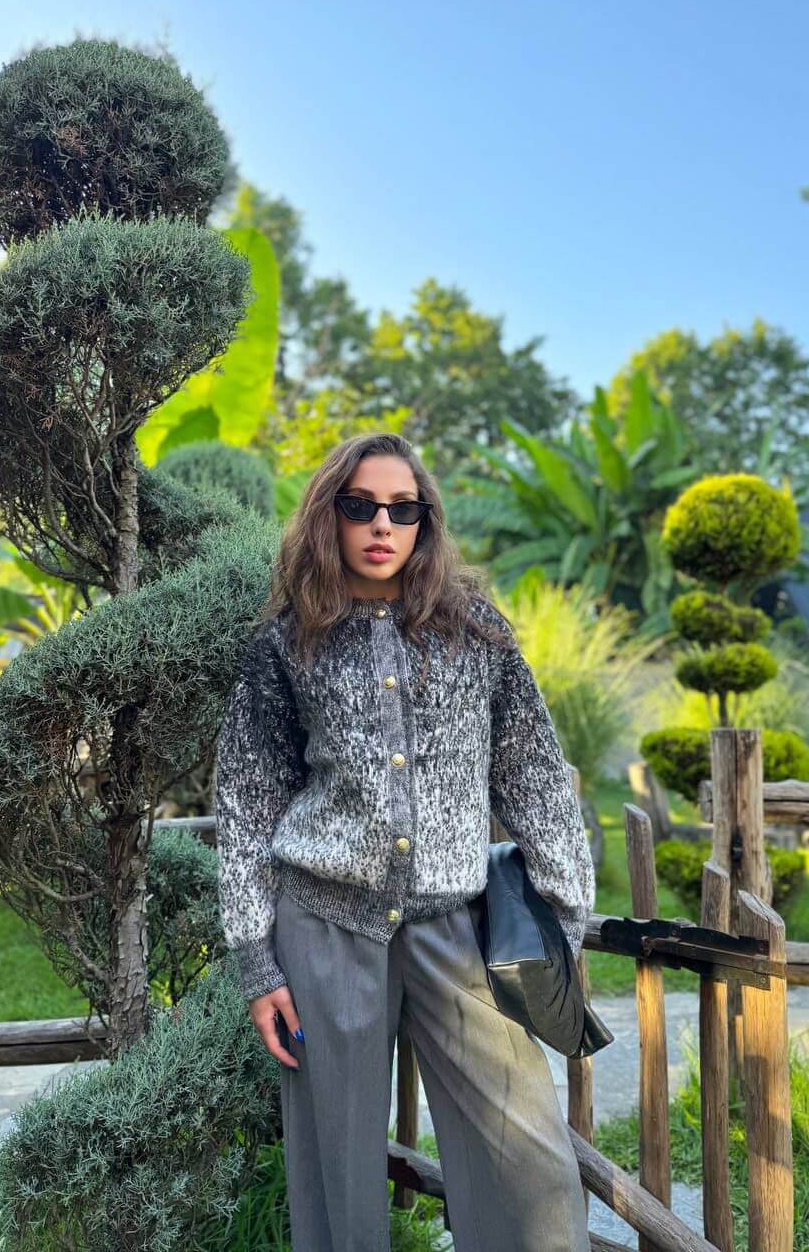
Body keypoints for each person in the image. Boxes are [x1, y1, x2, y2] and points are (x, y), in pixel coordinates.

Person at [215, 431, 594, 1251]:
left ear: (426, 520)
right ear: (329, 515)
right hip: (323, 929)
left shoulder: (478, 633)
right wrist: (257, 962)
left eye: (402, 508)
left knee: (529, 1159)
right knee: (338, 1169)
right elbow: (247, 800)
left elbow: (532, 773)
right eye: (360, 506)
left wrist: (566, 914)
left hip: (455, 929)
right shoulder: (285, 641)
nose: (382, 524)